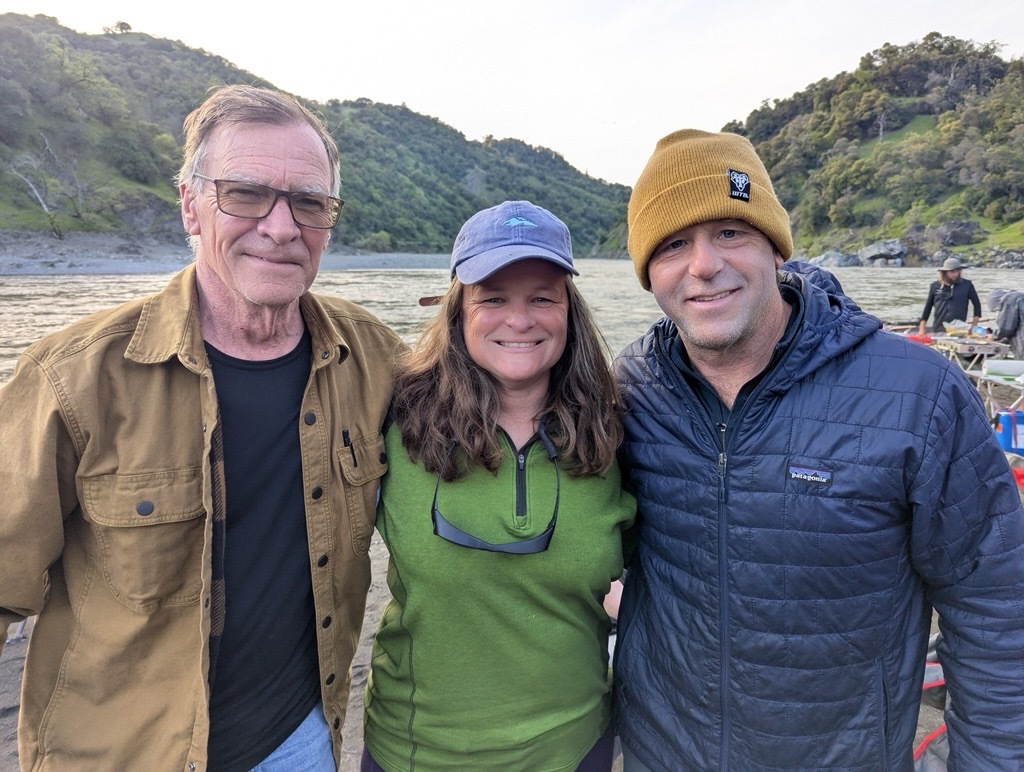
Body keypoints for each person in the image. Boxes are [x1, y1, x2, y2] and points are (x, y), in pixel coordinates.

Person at [0, 85, 405, 771]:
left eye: (309, 202)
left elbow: (491, 425)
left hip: (301, 741)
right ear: (190, 205)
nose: (281, 227)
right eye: (245, 193)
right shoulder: (74, 377)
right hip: (119, 755)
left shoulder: (374, 357)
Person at [612, 129, 1024, 770]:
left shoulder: (920, 394)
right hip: (660, 752)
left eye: (731, 233)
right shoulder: (632, 386)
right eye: (672, 245)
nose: (702, 265)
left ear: (775, 247)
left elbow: (996, 608)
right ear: (646, 273)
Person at [361, 200, 635, 771]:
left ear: (569, 311)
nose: (519, 320)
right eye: (493, 298)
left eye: (542, 297)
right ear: (458, 310)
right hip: (412, 750)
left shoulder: (621, 430)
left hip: (573, 747)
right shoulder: (390, 416)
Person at [917, 256, 981, 334]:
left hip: (959, 329)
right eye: (952, 272)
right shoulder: (935, 286)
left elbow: (977, 305)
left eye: (957, 271)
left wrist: (974, 325)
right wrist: (922, 328)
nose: (955, 274)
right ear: (945, 272)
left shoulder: (967, 285)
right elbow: (928, 308)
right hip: (938, 329)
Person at [987, 288, 1024, 359]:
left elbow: (1007, 328)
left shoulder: (1009, 299)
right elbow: (1015, 325)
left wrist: (993, 336)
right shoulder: (1020, 296)